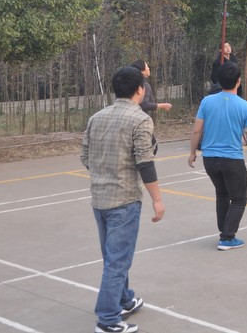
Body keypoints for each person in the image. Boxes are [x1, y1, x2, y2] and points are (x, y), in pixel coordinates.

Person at [81, 66, 165, 333]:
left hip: (99, 199)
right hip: (124, 200)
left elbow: (85, 157)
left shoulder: (96, 117)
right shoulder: (140, 119)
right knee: (117, 261)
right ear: (140, 89)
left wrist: (105, 171)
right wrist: (157, 199)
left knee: (114, 255)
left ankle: (124, 299)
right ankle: (107, 318)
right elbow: (145, 162)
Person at [189, 62, 247, 250]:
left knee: (222, 193)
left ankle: (224, 230)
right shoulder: (246, 106)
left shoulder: (207, 101)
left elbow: (196, 131)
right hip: (232, 160)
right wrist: (243, 140)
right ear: (239, 81)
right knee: (239, 198)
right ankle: (227, 237)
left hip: (210, 159)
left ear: (219, 81)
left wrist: (192, 153)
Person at [130, 59, 172, 154]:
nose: (149, 68)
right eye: (147, 67)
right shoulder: (144, 86)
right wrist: (163, 105)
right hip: (140, 123)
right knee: (152, 148)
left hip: (128, 122)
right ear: (142, 71)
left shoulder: (129, 85)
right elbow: (144, 105)